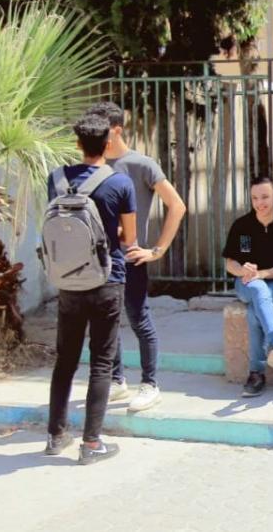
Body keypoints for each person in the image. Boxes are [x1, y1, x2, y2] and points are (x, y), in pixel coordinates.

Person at [45, 115, 136, 464]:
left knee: (65, 360)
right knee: (101, 362)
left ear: (78, 144)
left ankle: (56, 436)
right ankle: (91, 443)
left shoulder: (56, 180)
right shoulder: (119, 183)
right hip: (106, 280)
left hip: (68, 280)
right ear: (108, 144)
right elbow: (129, 237)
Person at [86, 102, 187, 412]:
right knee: (105, 323)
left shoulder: (142, 165)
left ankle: (150, 384)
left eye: (102, 130)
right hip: (98, 262)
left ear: (116, 130)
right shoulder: (93, 165)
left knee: (139, 320)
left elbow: (177, 206)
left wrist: (157, 250)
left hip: (131, 261)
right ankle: (117, 381)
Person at [223, 175, 273, 397]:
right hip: (245, 283)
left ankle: (256, 374)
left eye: (265, 197)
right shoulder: (242, 226)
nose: (260, 203)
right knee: (258, 289)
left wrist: (262, 274)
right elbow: (230, 263)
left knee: (254, 312)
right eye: (255, 198)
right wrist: (244, 271)